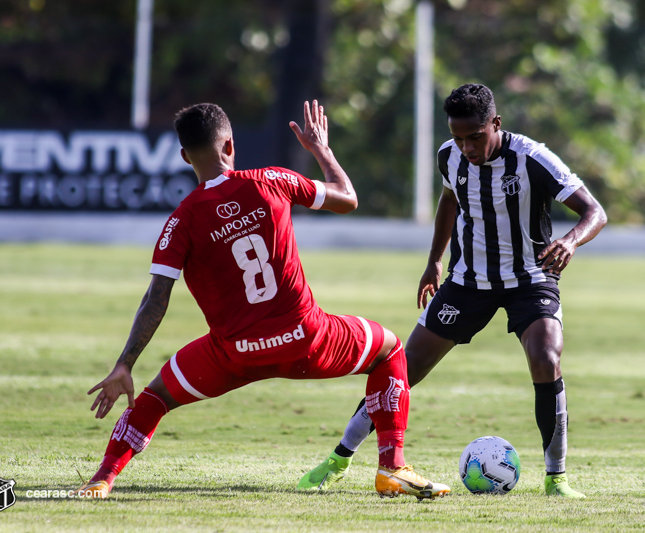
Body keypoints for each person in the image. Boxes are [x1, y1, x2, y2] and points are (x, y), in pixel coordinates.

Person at [77, 100, 450, 500]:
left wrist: (124, 364)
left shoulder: (181, 221)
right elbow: (347, 197)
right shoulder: (270, 179)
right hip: (309, 340)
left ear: (185, 156)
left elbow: (156, 299)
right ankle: (392, 467)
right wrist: (321, 150)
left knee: (155, 397)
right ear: (230, 146)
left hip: (233, 355)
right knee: (389, 350)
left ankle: (102, 478)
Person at [297, 84, 607, 498]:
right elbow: (448, 200)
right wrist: (433, 260)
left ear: (495, 124)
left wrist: (570, 241)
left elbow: (595, 211)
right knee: (402, 368)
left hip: (530, 279)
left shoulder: (533, 158)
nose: (466, 148)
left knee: (546, 356)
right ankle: (339, 458)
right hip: (466, 282)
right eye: (458, 138)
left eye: (475, 138)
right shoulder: (450, 156)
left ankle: (557, 479)